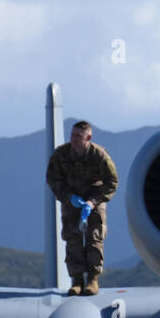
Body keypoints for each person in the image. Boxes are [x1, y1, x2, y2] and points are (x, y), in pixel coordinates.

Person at [45, 121, 118, 295]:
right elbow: (53, 179)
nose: (74, 139)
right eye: (72, 135)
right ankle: (76, 280)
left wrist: (93, 202)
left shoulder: (99, 156)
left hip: (94, 199)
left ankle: (92, 279)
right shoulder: (61, 155)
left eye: (78, 136)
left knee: (94, 238)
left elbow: (112, 182)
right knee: (72, 238)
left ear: (88, 138)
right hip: (72, 199)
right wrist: (69, 197)